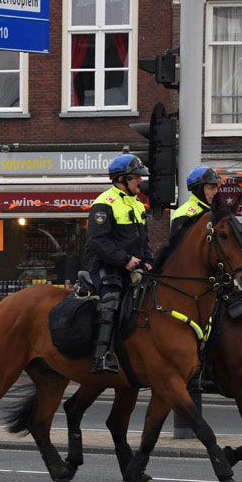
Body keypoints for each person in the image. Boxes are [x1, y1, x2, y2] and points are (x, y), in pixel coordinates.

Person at [85, 153, 153, 374]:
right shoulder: (104, 203)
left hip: (133, 266)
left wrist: (149, 261)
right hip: (107, 266)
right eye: (136, 177)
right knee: (112, 300)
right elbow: (96, 241)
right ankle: (100, 357)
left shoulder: (138, 204)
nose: (141, 181)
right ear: (122, 179)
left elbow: (144, 238)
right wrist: (124, 259)